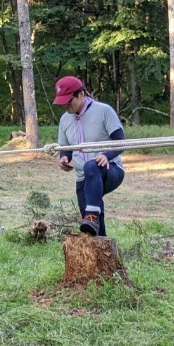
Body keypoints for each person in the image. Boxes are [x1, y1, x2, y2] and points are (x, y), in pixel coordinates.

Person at [54, 75, 126, 237]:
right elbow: (66, 148)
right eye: (62, 101)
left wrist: (107, 156)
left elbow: (121, 142)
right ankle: (105, 257)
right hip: (83, 179)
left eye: (68, 100)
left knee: (91, 167)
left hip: (109, 170)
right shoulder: (64, 120)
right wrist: (64, 158)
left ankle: (92, 215)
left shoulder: (104, 111)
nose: (65, 105)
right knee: (91, 228)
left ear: (80, 94)